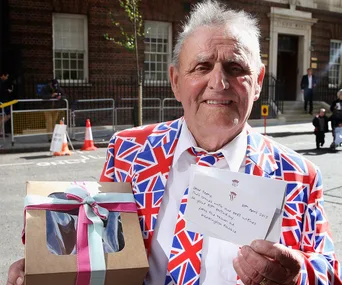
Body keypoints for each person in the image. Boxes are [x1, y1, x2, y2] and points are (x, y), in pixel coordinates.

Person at [7, 1, 341, 285]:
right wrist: (52, 269)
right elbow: (100, 245)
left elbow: (329, 270)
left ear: (257, 82)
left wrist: (298, 273)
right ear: (176, 81)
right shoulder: (130, 151)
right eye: (202, 66)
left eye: (235, 67)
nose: (219, 82)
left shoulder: (298, 175)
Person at [0, 71, 14, 135]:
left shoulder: (3, 82)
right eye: (6, 76)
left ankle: (1, 132)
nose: (7, 78)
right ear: (3, 75)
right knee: (8, 115)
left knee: (2, 116)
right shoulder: (1, 83)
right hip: (3, 101)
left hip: (3, 101)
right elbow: (1, 91)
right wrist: (8, 91)